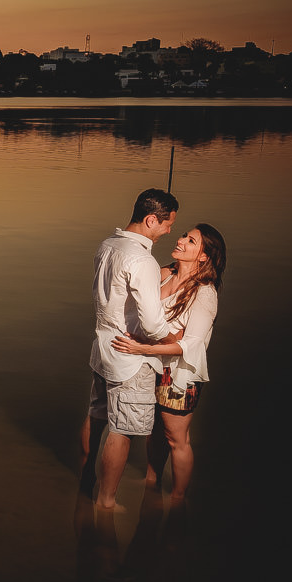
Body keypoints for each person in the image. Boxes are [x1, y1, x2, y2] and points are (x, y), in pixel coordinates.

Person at [111, 223, 225, 505]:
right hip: (152, 366)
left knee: (177, 439)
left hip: (180, 376)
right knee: (155, 432)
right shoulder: (165, 274)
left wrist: (143, 348)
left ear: (203, 256)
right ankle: (152, 481)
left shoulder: (204, 293)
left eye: (191, 240)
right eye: (184, 235)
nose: (181, 240)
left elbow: (191, 344)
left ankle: (177, 498)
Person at [80, 188, 178, 509]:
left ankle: (86, 478)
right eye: (166, 225)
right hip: (130, 358)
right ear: (151, 219)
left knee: (96, 417)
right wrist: (174, 341)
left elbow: (114, 293)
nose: (169, 231)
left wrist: (158, 276)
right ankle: (106, 502)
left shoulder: (108, 245)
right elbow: (151, 323)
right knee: (121, 431)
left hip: (102, 347)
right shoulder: (142, 259)